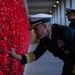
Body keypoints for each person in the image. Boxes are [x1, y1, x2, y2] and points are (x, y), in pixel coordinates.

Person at [9, 15, 75, 75]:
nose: (35, 33)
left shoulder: (65, 32)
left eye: (36, 29)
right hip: (69, 64)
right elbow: (35, 55)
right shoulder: (45, 39)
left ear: (45, 26)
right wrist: (16, 56)